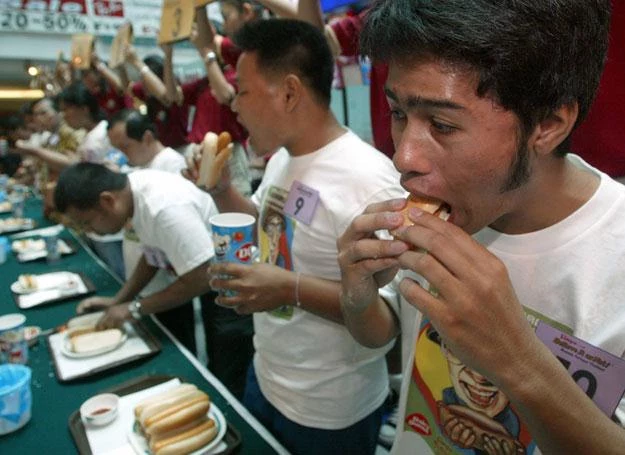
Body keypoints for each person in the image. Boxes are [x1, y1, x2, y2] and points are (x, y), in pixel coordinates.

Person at [336, 1, 625, 454]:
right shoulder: (440, 208)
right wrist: (357, 298)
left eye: (443, 124)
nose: (403, 159)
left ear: (549, 123)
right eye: (398, 114)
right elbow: (386, 328)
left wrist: (520, 364)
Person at [205, 19, 405, 454]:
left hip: (331, 407)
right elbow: (268, 226)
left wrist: (289, 289)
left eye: (243, 91)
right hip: (268, 375)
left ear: (291, 92)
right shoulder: (283, 158)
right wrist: (222, 190)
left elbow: (388, 323)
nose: (233, 105)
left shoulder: (369, 182)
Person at [54, 163, 254, 398]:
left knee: (228, 374)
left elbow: (202, 276)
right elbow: (152, 256)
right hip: (212, 278)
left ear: (107, 201)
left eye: (88, 222)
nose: (90, 230)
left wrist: (135, 308)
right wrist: (119, 300)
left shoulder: (162, 207)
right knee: (216, 363)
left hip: (231, 288)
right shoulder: (133, 194)